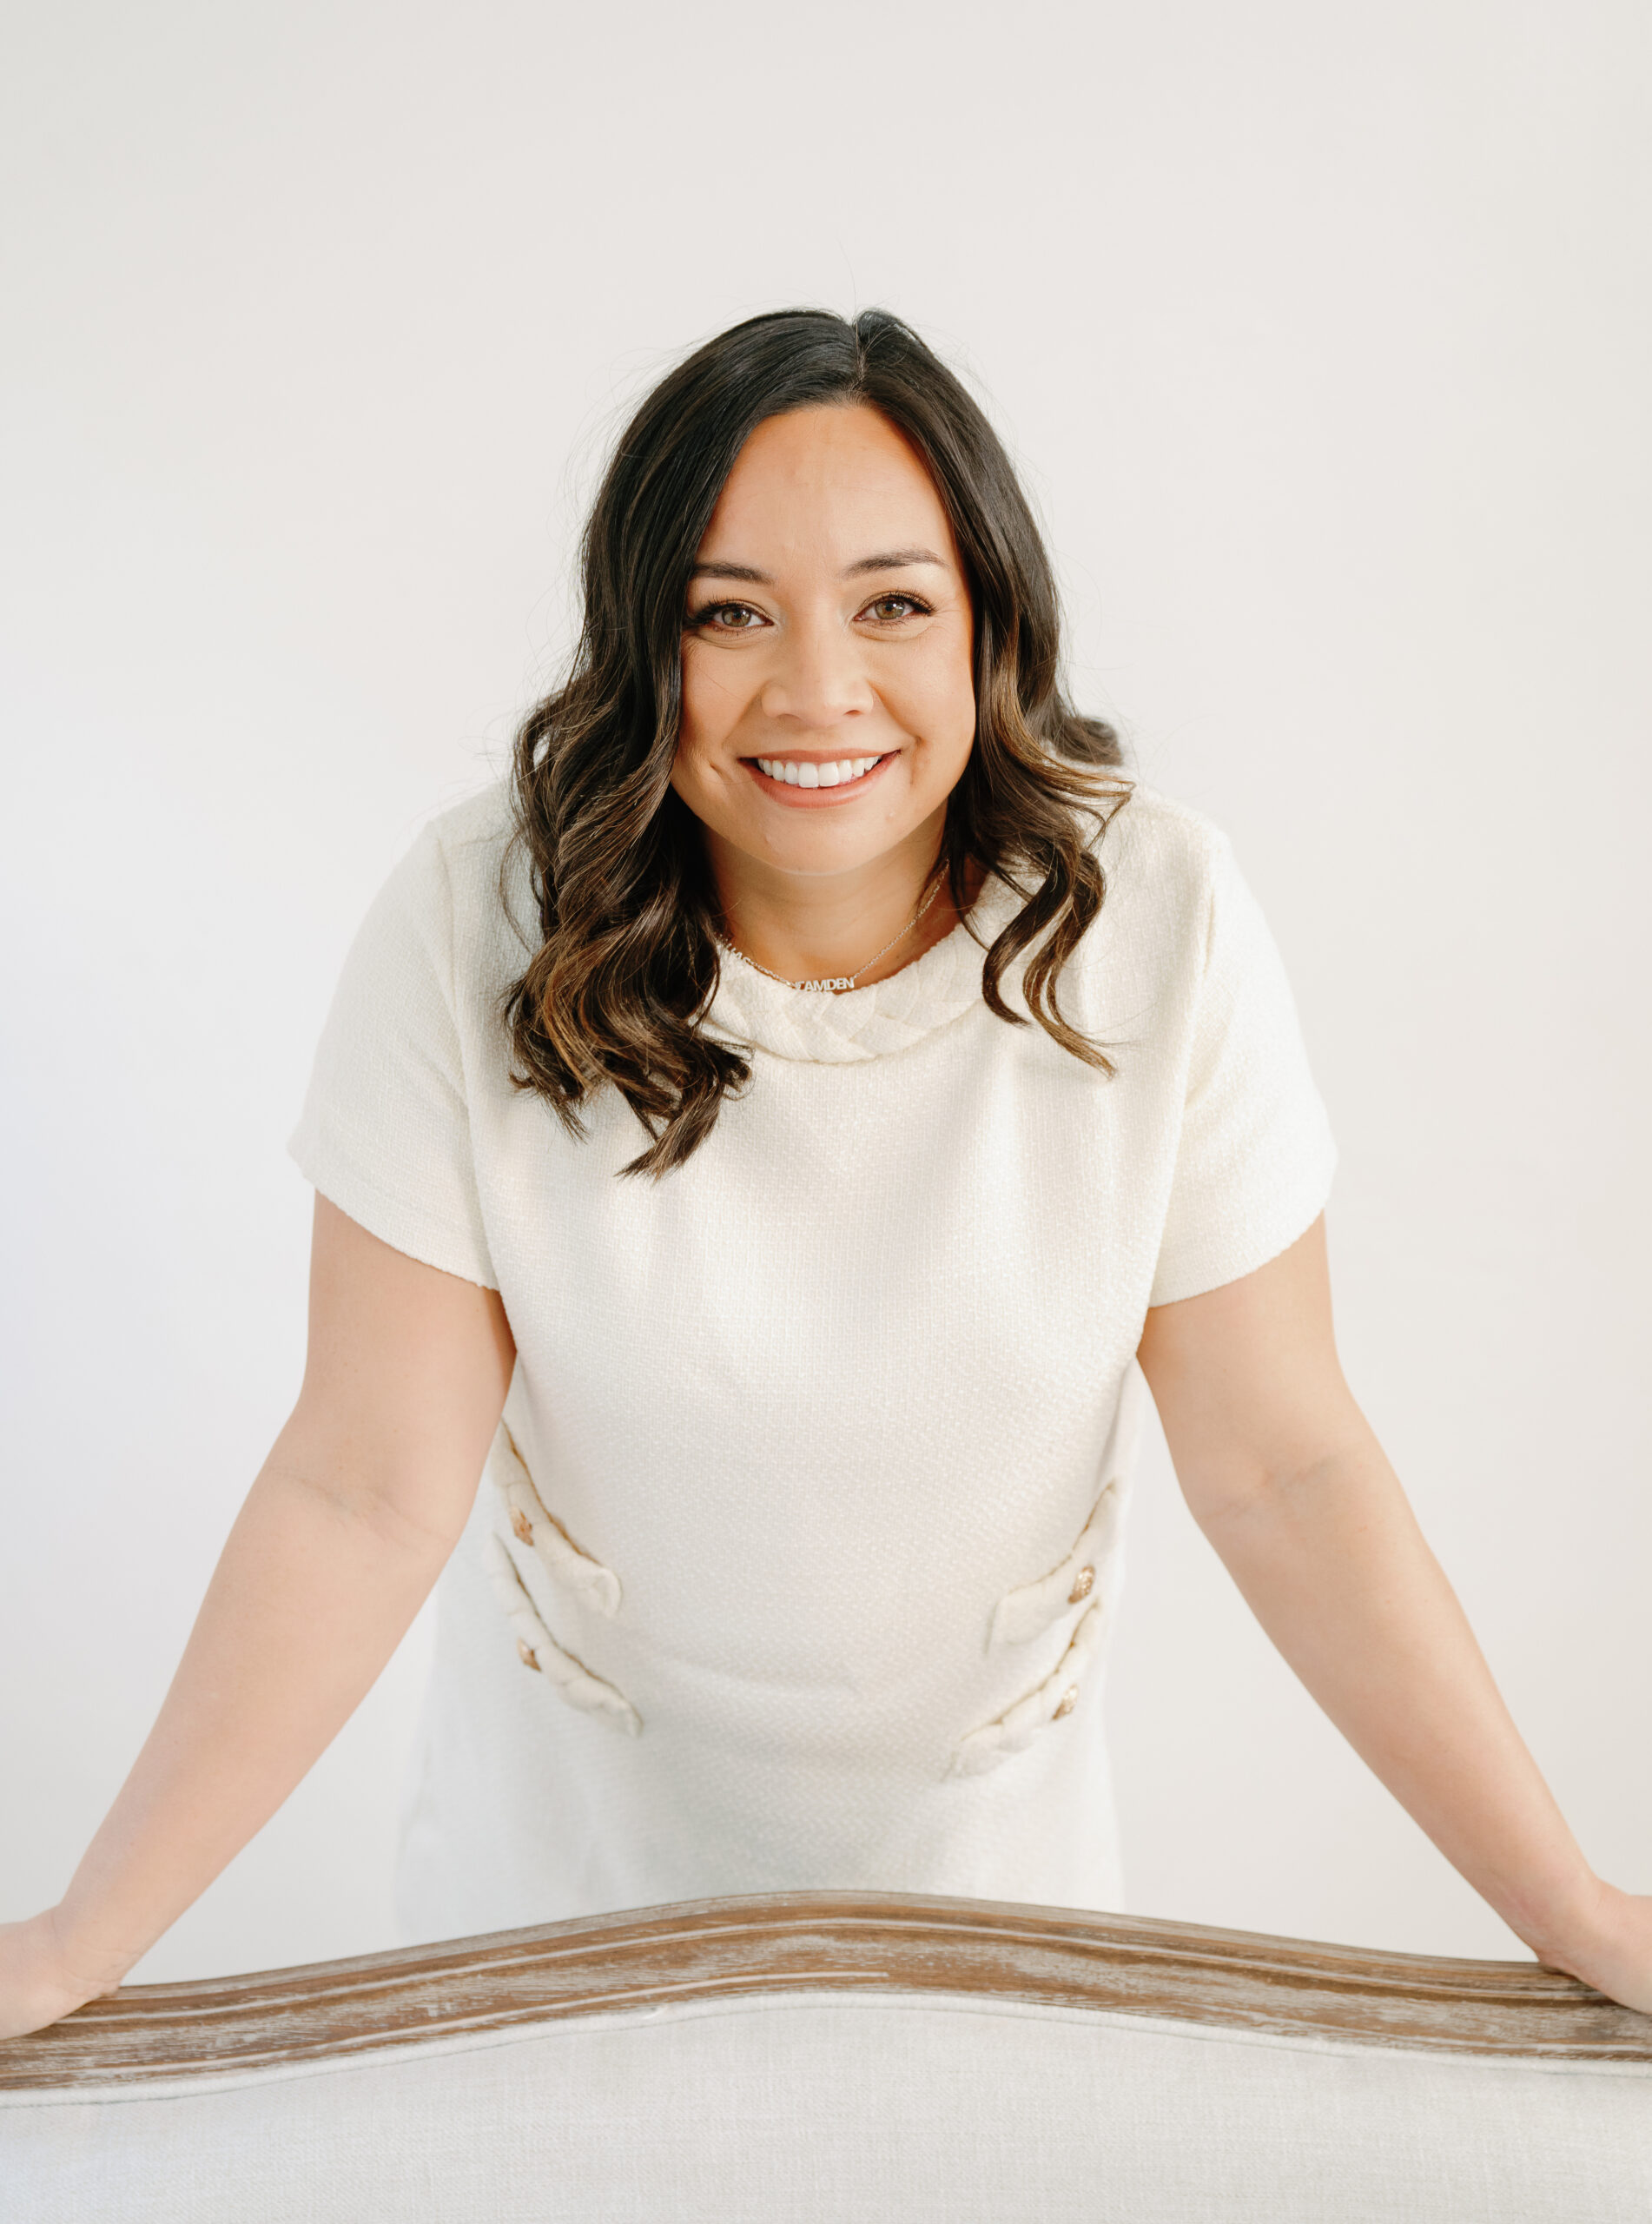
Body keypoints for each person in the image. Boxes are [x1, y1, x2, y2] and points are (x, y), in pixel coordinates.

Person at [3, 308, 1648, 2040]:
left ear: (988, 625)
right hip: (561, 1920)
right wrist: (72, 1939)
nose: (816, 690)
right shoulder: (473, 919)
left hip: (992, 1922)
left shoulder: (1160, 921)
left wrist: (1573, 1906)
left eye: (892, 604)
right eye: (730, 613)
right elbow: (361, 1489)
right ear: (647, 644)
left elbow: (1287, 1468)